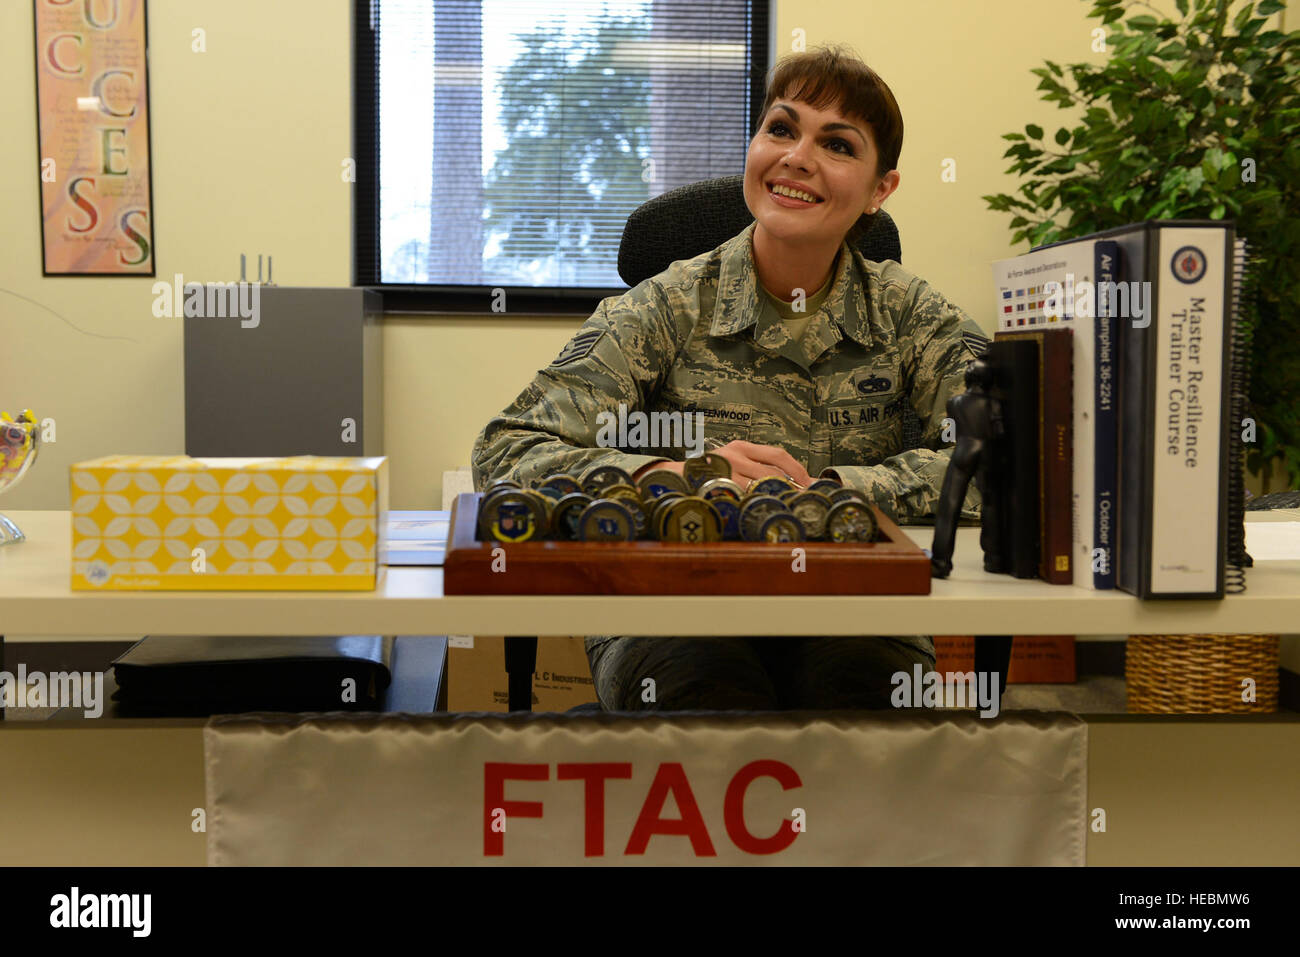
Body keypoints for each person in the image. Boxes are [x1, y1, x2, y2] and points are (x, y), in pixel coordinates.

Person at [471, 45, 988, 711]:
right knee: (708, 707)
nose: (797, 156)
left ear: (879, 191)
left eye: (836, 144)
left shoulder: (912, 313)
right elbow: (504, 449)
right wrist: (676, 477)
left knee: (861, 714)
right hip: (671, 601)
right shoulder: (667, 303)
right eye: (781, 128)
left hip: (852, 602)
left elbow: (1009, 461)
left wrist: (830, 491)